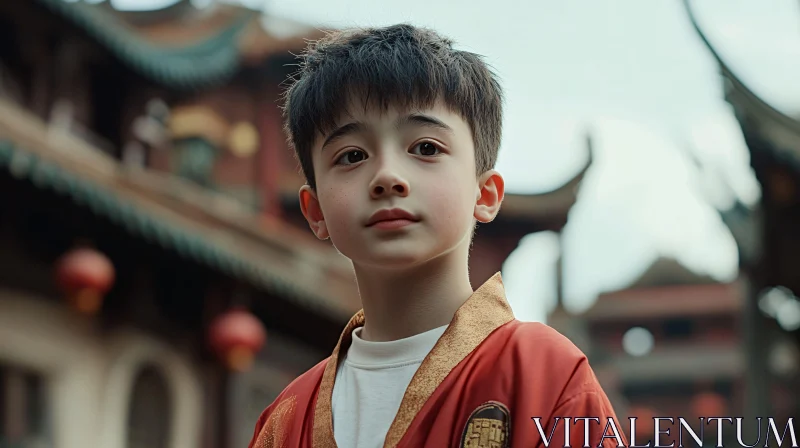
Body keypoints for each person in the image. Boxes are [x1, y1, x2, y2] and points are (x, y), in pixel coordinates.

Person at [248, 24, 626, 448]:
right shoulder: (286, 417)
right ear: (315, 211)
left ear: (485, 194)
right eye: (352, 155)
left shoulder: (545, 373)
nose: (387, 176)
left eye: (426, 147)